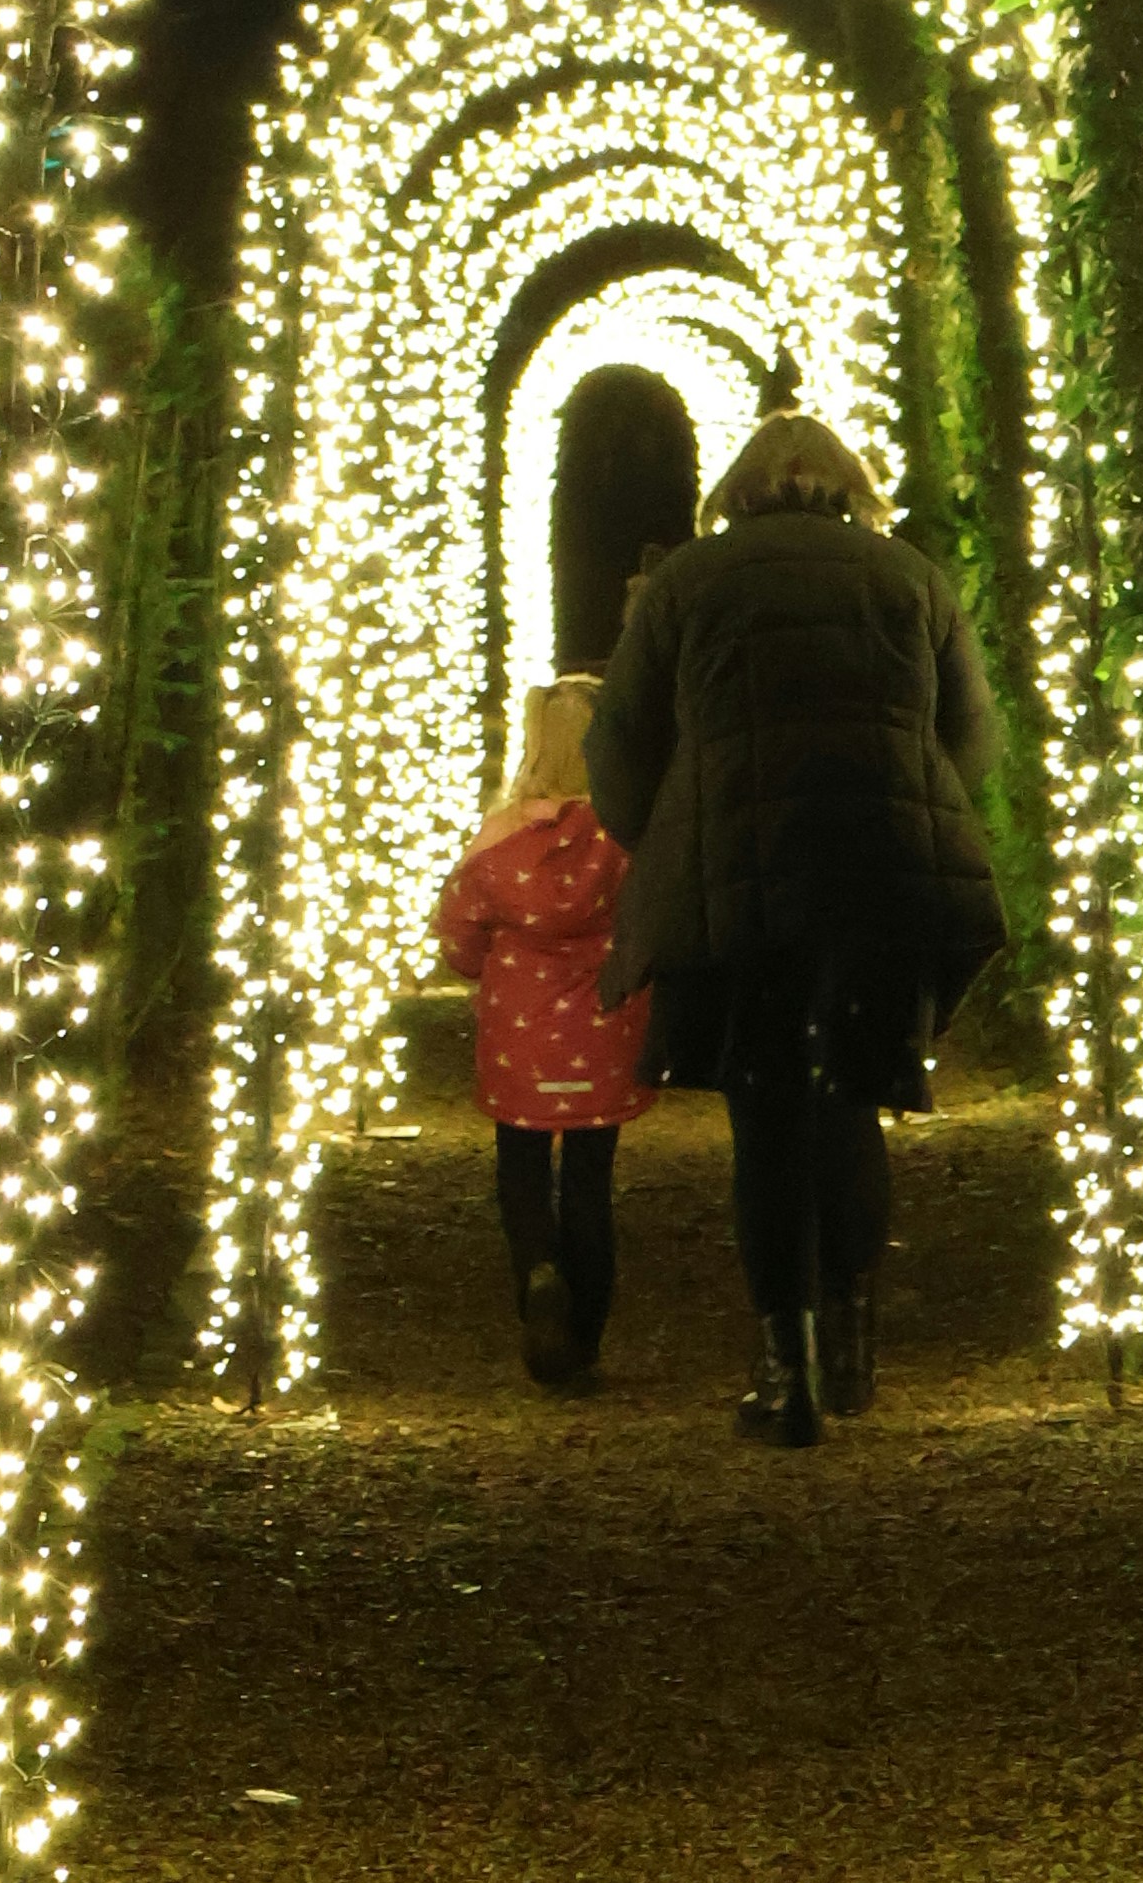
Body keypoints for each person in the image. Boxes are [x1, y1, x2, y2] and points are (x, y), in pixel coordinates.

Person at [583, 410, 1003, 1447]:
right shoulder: (907, 576)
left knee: (766, 1121)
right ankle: (855, 1333)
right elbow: (972, 736)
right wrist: (923, 807)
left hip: (743, 890)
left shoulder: (687, 583)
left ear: (737, 490)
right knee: (853, 1100)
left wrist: (675, 835)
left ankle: (788, 1363)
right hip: (879, 877)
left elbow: (620, 741)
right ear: (846, 485)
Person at [426, 675, 655, 1388]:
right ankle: (583, 1336)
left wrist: (482, 964)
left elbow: (459, 936)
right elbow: (653, 919)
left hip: (517, 1030)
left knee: (520, 1168)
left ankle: (537, 1268)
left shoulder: (499, 842)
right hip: (602, 1023)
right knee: (591, 1179)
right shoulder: (626, 836)